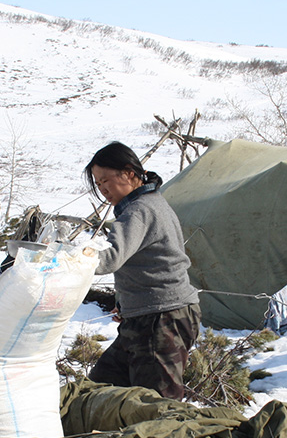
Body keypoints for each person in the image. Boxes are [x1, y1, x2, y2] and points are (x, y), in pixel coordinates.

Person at [84, 141, 201, 400]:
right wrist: (126, 302)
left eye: (106, 180)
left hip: (161, 318)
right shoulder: (150, 203)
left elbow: (110, 258)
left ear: (129, 173)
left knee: (154, 405)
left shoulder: (139, 211)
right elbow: (149, 262)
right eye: (98, 184)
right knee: (100, 392)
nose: (103, 190)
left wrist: (69, 261)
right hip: (148, 316)